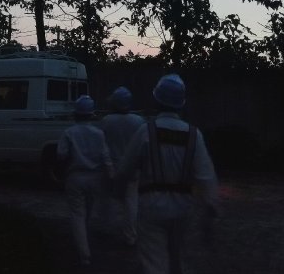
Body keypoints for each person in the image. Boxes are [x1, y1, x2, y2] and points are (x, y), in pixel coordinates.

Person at [117, 74, 219, 274]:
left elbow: (125, 170)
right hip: (184, 208)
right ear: (181, 104)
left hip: (151, 207)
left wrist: (119, 190)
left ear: (157, 100)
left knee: (154, 264)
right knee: (180, 262)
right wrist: (210, 209)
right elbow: (206, 177)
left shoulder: (146, 131)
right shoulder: (194, 134)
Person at [57, 94, 114, 268]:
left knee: (77, 214)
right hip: (95, 178)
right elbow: (106, 157)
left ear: (76, 114)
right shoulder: (99, 134)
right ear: (91, 114)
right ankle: (87, 243)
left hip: (75, 177)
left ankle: (84, 255)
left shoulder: (69, 132)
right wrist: (112, 176)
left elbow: (61, 155)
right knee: (88, 213)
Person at [99, 86, 145, 246]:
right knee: (131, 203)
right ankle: (130, 236)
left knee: (108, 201)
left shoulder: (106, 121)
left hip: (111, 167)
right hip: (132, 169)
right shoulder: (138, 121)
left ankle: (108, 231)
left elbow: (102, 146)